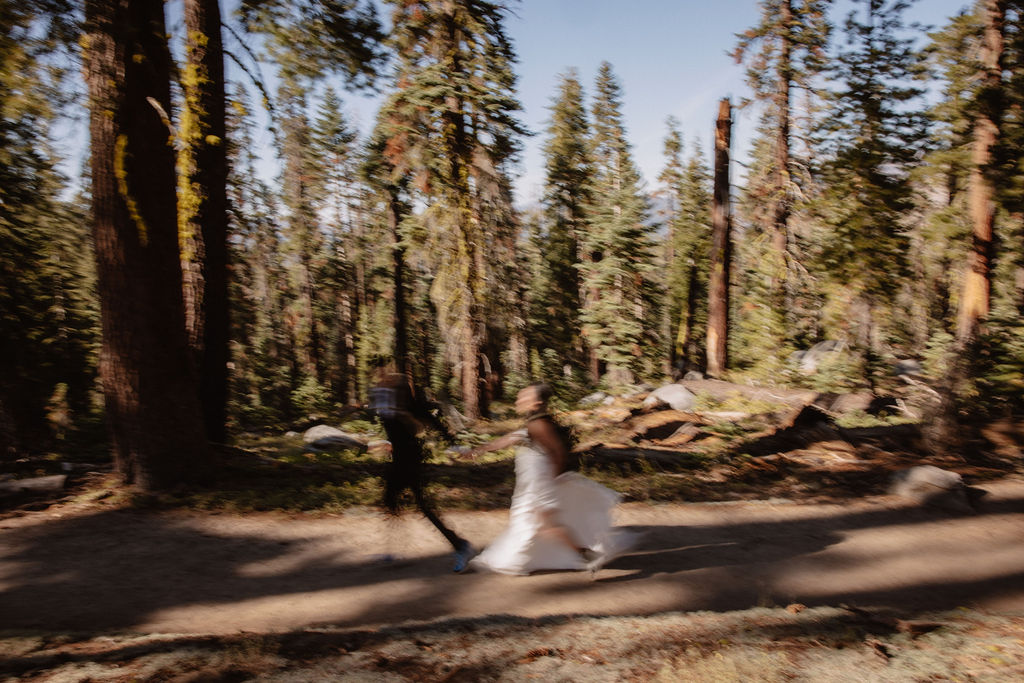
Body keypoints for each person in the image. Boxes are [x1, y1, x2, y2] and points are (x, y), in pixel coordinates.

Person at [463, 383, 633, 576]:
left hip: (540, 483)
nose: (519, 400)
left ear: (537, 402)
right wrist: (478, 451)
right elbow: (509, 439)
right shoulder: (534, 422)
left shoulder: (539, 424)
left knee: (545, 524)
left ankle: (587, 555)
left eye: (524, 397)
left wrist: (555, 477)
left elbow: (559, 452)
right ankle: (581, 555)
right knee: (536, 523)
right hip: (533, 483)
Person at [368, 358, 474, 572]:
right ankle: (393, 550)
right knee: (390, 500)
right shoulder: (383, 400)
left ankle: (460, 545)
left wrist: (453, 444)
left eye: (384, 375)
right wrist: (386, 442)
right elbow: (390, 429)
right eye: (378, 376)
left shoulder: (406, 402)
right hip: (398, 456)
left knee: (421, 504)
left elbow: (431, 421)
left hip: (411, 457)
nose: (381, 379)